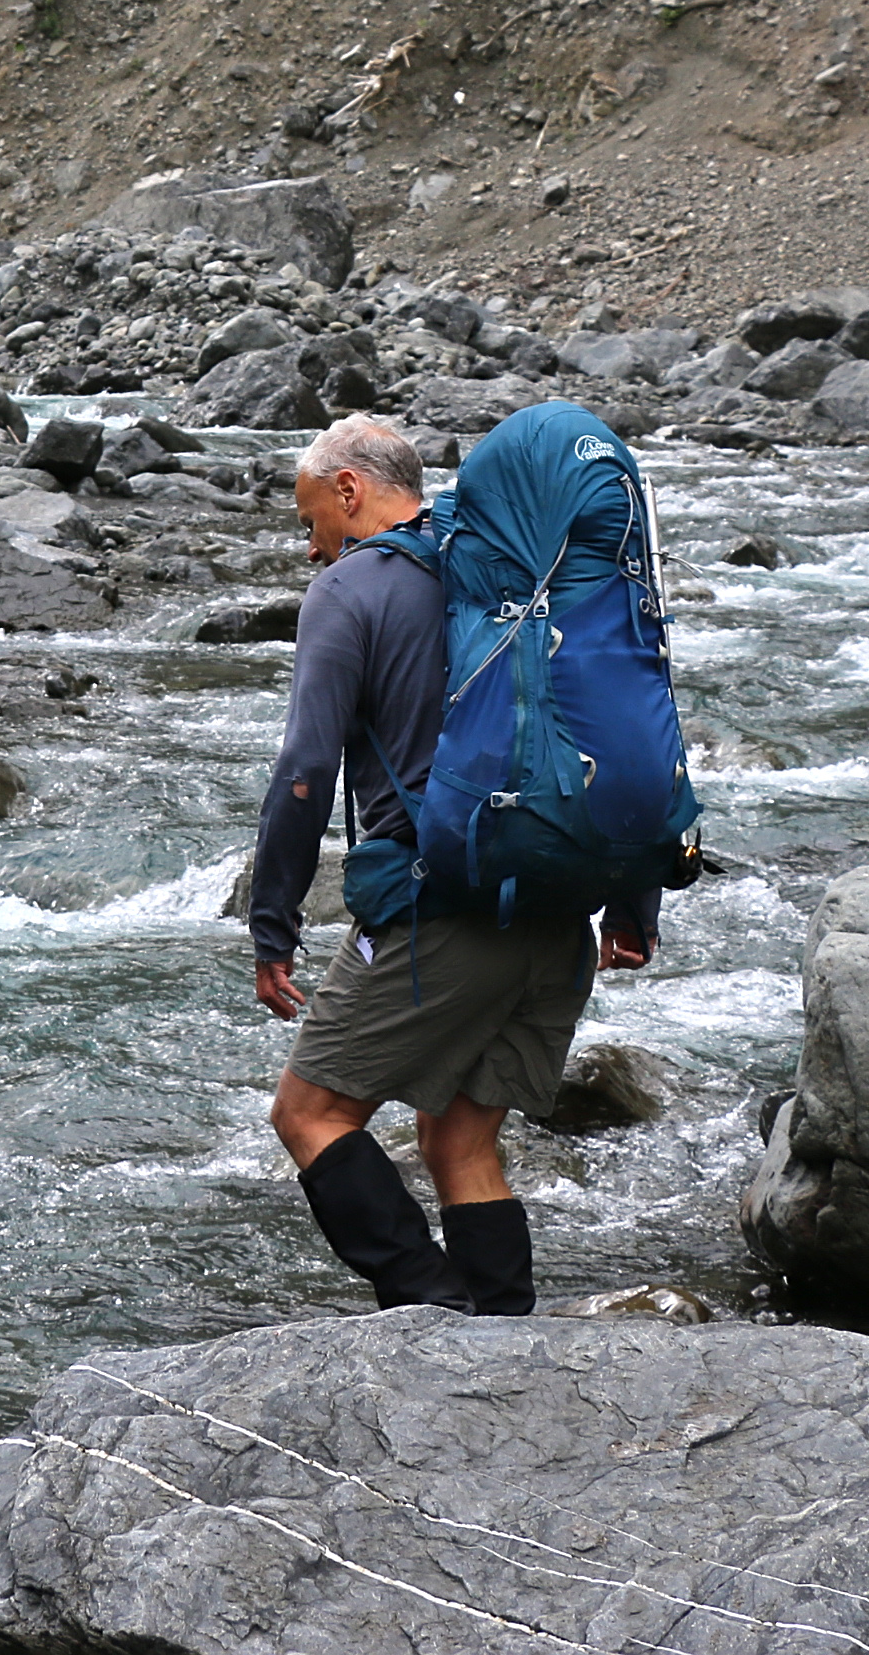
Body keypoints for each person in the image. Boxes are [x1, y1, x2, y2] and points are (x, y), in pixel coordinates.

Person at [244, 414, 655, 1315]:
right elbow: (616, 726)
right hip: (557, 908)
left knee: (308, 1115)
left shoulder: (351, 588)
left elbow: (306, 772)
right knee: (457, 1144)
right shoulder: (523, 575)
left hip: (442, 911)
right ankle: (501, 1340)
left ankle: (433, 1311)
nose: (312, 547)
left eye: (311, 520)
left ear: (350, 489)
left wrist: (272, 923)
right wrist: (633, 899)